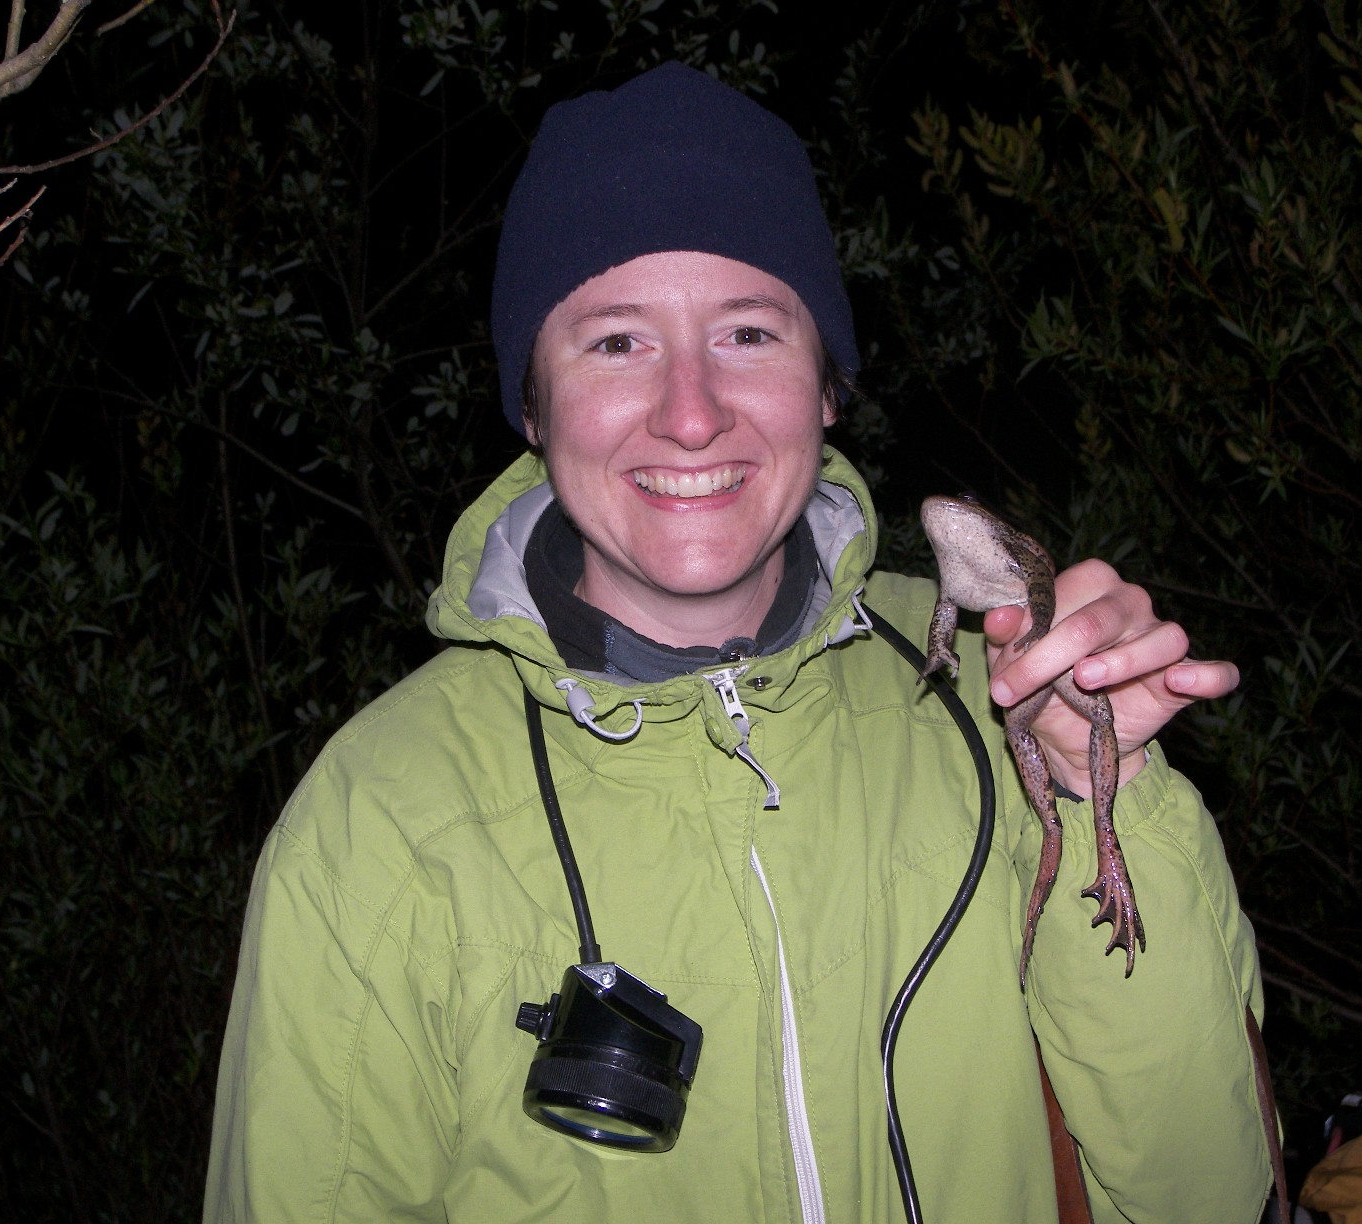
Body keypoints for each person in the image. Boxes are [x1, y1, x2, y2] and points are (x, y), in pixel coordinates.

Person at [204, 62, 1274, 1223]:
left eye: (751, 331)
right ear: (531, 407)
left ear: (828, 385)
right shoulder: (381, 818)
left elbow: (1205, 1193)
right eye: (615, 343)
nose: (693, 411)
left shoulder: (999, 691)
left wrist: (1095, 791)